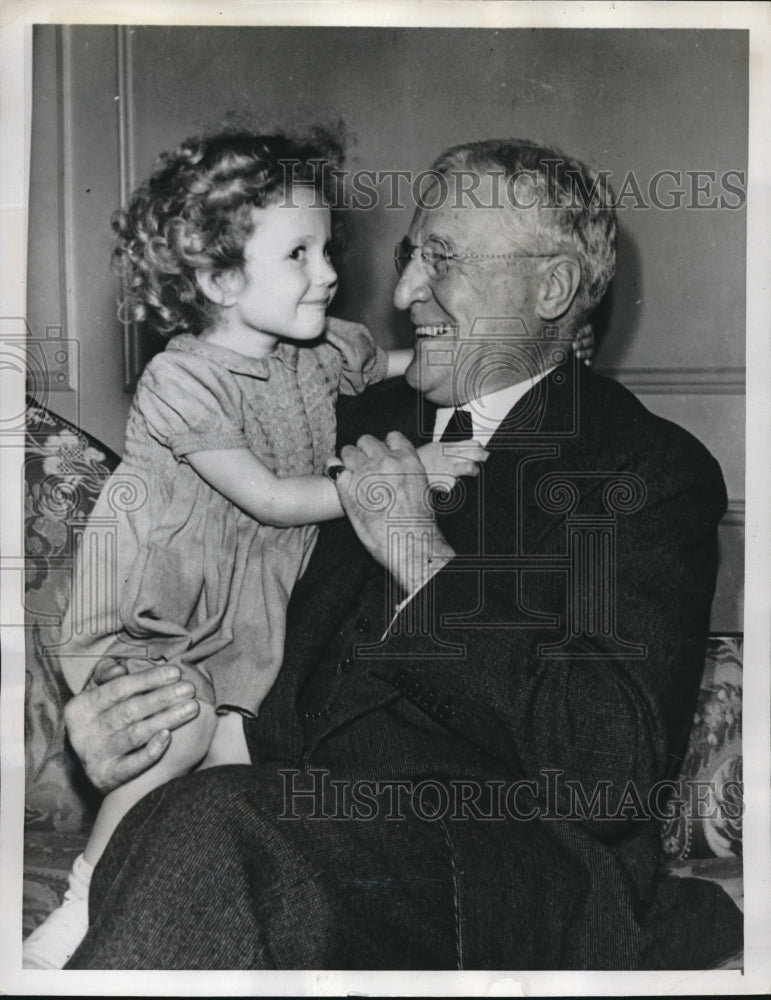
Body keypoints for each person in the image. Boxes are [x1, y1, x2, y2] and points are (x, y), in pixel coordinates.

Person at [61, 138, 741, 970]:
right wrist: (131, 718)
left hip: (500, 872)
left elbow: (609, 772)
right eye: (408, 255)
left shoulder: (640, 471)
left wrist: (419, 554)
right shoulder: (333, 416)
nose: (405, 289)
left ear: (551, 288)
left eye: (442, 260)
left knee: (216, 826)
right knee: (196, 820)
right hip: (288, 829)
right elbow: (206, 595)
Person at [23, 128, 507, 969]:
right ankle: (81, 904)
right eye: (298, 253)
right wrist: (414, 470)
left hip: (246, 608)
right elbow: (273, 500)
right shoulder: (185, 379)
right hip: (162, 596)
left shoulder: (315, 352)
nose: (327, 272)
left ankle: (166, 894)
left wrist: (466, 358)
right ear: (218, 279)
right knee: (172, 729)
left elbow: (396, 362)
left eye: (325, 247)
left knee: (235, 746)